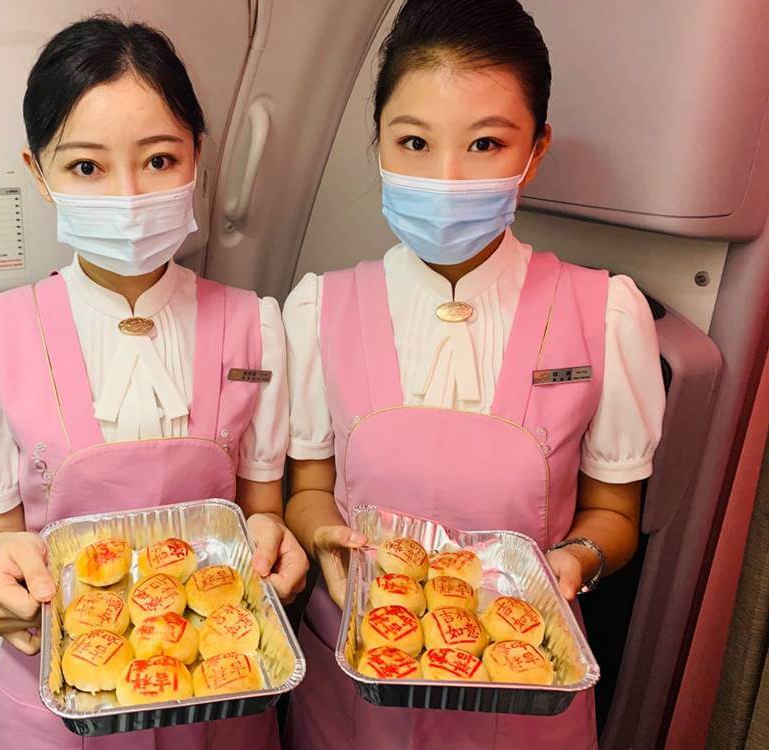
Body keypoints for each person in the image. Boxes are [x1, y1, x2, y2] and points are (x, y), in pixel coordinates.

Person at [281, 1, 665, 747]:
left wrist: (576, 561)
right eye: (415, 142)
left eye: (485, 143)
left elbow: (614, 515)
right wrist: (323, 534)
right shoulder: (317, 309)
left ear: (536, 149)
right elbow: (308, 491)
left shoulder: (605, 313)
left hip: (524, 683)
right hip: (354, 682)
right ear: (379, 143)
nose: (446, 178)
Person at [0, 15, 306, 749]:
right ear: (38, 173)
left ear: (198, 156)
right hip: (56, 703)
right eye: (87, 168)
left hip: (221, 693)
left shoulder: (256, 327)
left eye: (159, 159)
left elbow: (260, 511)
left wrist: (274, 539)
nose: (128, 196)